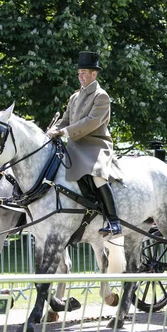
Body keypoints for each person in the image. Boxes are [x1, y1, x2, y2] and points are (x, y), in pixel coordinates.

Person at [48, 51, 124, 236]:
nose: (80, 76)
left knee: (98, 175)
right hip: (74, 145)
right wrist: (52, 130)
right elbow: (65, 119)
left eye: (84, 73)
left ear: (94, 74)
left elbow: (91, 122)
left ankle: (113, 221)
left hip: (95, 145)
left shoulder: (101, 96)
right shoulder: (74, 97)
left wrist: (64, 132)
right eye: (79, 73)